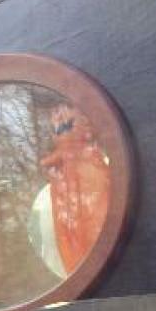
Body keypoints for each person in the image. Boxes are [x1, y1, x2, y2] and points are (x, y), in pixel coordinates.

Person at [40, 106, 111, 273]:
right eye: (57, 129)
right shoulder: (57, 177)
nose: (62, 134)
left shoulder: (97, 164)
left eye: (66, 126)